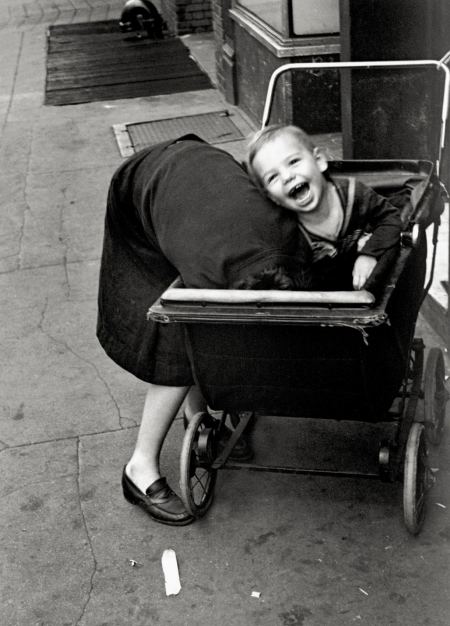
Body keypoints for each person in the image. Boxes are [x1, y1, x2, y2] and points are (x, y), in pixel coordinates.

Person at [97, 134, 307, 526]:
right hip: (141, 187)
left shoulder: (287, 237)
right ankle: (138, 469)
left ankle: (201, 420)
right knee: (177, 337)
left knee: (198, 332)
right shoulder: (208, 266)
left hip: (200, 175)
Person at [246, 125, 402, 292]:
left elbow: (391, 217)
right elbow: (302, 289)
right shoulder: (291, 233)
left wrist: (369, 254)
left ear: (319, 161)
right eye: (273, 177)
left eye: (293, 162)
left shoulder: (354, 194)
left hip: (369, 282)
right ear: (271, 198)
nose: (287, 177)